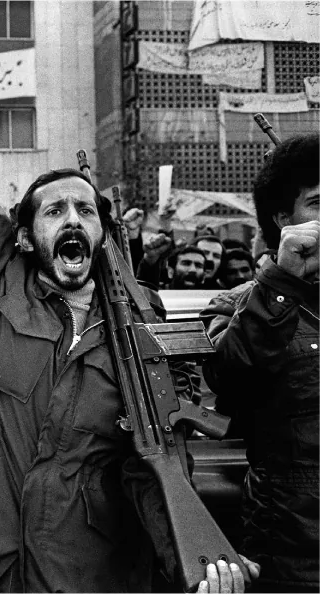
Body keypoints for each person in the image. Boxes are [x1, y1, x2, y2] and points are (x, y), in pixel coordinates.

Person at [0, 18, 257, 593]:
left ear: (102, 233)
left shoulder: (140, 319)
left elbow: (154, 462)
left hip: (84, 568)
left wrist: (193, 567)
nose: (72, 219)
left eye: (85, 210)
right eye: (54, 211)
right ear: (24, 237)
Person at [201, 133, 318, 593]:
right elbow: (231, 380)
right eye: (318, 202)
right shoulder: (239, 305)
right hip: (295, 560)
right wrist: (282, 282)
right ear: (282, 220)